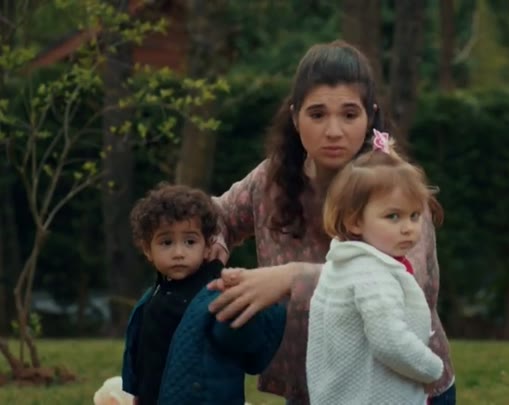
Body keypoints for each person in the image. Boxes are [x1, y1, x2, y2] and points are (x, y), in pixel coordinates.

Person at [206, 40, 456, 404]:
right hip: (316, 388)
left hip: (403, 389)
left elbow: (407, 277)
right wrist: (210, 249)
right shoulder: (272, 179)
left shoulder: (394, 184)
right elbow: (215, 216)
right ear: (295, 118)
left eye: (349, 115)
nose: (334, 131)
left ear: (370, 116)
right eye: (318, 114)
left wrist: (291, 278)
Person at [306, 131, 444, 404]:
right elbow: (390, 341)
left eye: (414, 215)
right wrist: (431, 369)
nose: (408, 228)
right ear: (355, 222)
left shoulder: (345, 264)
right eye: (393, 216)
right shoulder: (372, 276)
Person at [121, 183, 286, 405]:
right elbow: (145, 357)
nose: (179, 253)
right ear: (147, 250)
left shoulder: (215, 293)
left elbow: (243, 338)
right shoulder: (152, 297)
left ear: (208, 246)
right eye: (166, 242)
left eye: (190, 242)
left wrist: (243, 302)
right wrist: (139, 394)